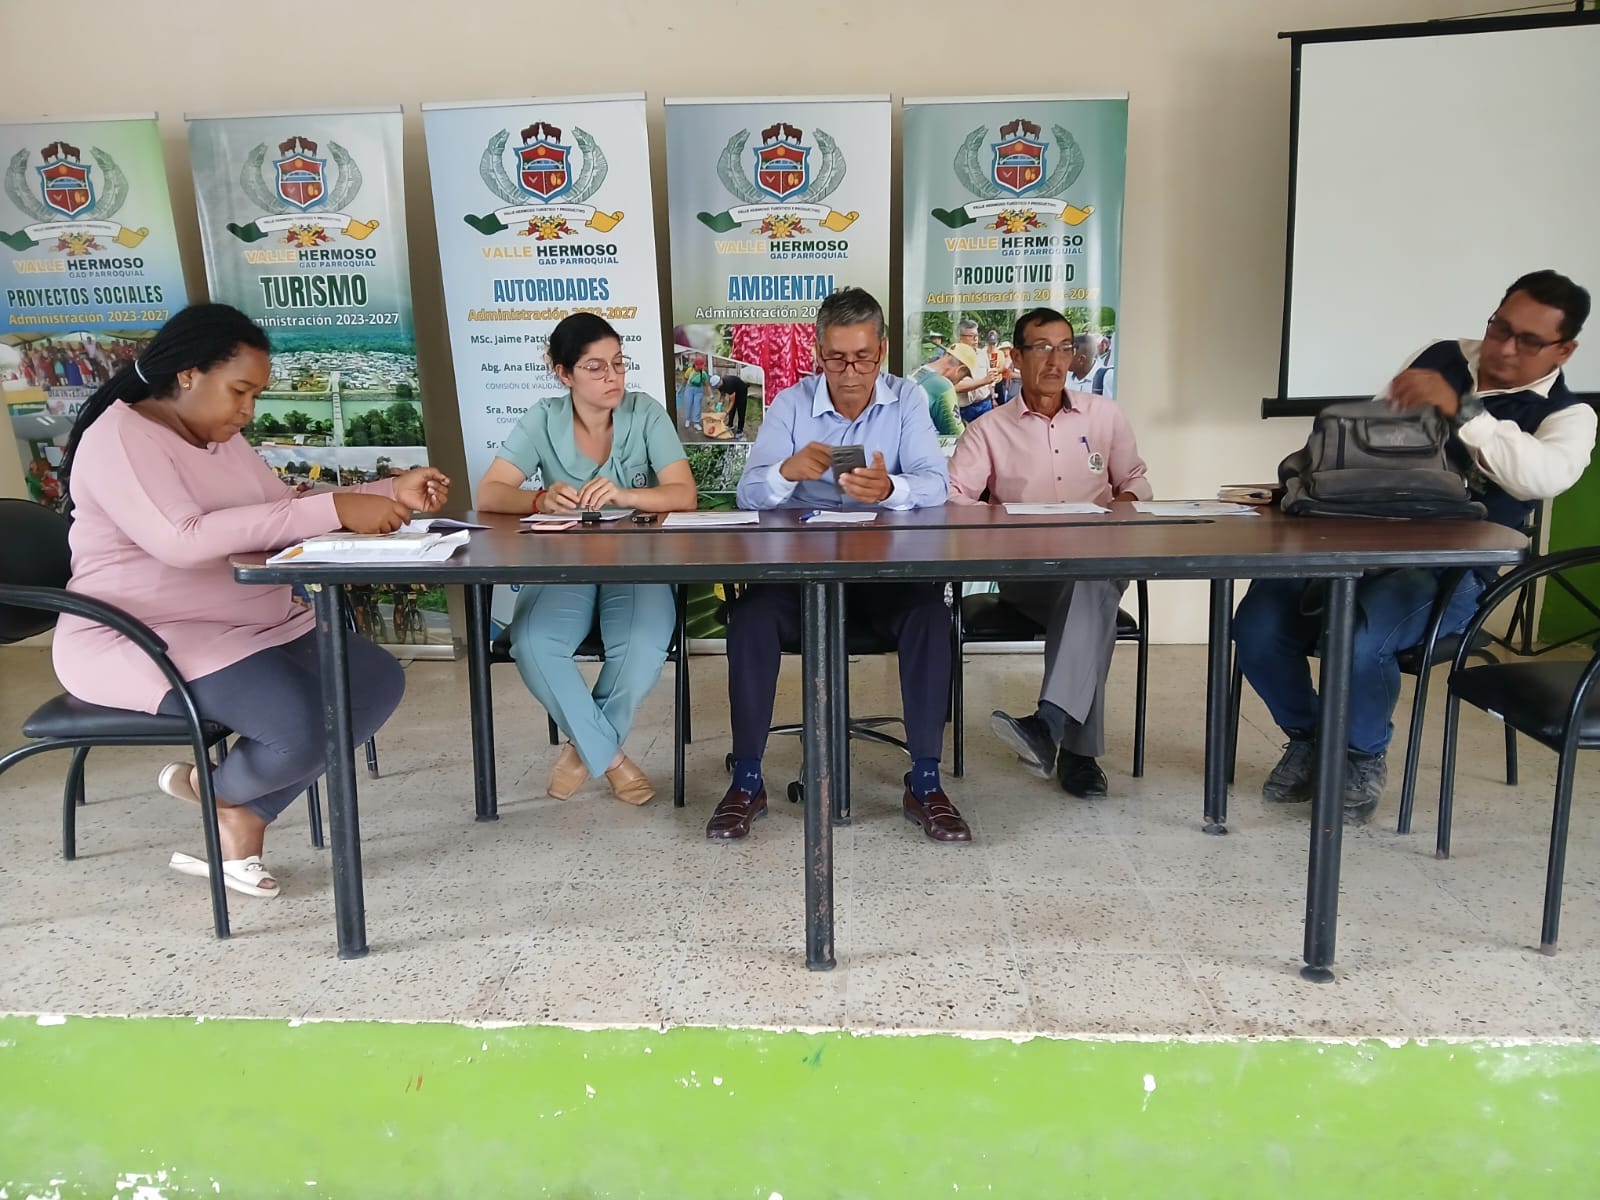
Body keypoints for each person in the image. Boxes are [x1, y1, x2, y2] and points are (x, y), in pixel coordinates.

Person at [52, 303, 448, 898]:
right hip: (145, 634)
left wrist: (389, 489)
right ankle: (227, 798)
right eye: (239, 391)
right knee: (300, 727)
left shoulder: (218, 438)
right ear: (189, 373)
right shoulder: (120, 437)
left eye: (255, 396)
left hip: (250, 621)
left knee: (373, 681)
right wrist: (335, 508)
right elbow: (180, 539)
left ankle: (233, 803)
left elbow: (280, 508)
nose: (248, 411)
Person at [1236, 269, 1595, 823]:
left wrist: (1463, 410)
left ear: (1564, 350)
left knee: (1365, 634)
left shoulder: (1569, 416)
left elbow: (1539, 478)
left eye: (1528, 341)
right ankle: (1310, 738)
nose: (1504, 347)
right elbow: (1370, 437)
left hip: (1448, 572)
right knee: (1256, 623)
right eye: (1500, 327)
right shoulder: (1441, 356)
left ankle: (1361, 757)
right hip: (1357, 542)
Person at [711, 286, 969, 844]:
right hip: (801, 577)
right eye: (836, 359)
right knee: (750, 619)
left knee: (931, 617)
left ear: (882, 352)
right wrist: (786, 472)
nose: (850, 373)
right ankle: (747, 780)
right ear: (817, 354)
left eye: (863, 358)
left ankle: (925, 781)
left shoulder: (907, 400)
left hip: (885, 575)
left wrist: (891, 488)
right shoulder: (791, 405)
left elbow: (936, 484)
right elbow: (748, 494)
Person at [477, 313, 696, 806]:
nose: (612, 376)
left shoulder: (645, 412)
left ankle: (582, 750)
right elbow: (490, 493)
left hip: (638, 563)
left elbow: (684, 494)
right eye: (595, 367)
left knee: (641, 644)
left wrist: (625, 495)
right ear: (564, 373)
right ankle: (610, 758)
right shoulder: (542, 418)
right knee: (533, 643)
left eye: (618, 363)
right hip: (564, 565)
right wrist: (539, 499)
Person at [949, 308, 1152, 797]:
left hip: (1097, 560)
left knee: (1092, 581)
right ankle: (1077, 754)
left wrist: (1121, 504)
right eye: (1042, 348)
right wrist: (999, 520)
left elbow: (1136, 481)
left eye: (1064, 348)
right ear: (1017, 358)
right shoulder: (989, 430)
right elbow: (953, 500)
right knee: (1095, 602)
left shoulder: (1105, 415)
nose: (1056, 360)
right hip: (1028, 574)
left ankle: (1049, 725)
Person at [910, 343, 975, 437]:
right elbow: (957, 435)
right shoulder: (943, 387)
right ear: (960, 369)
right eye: (962, 377)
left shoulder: (916, 371)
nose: (959, 381)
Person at [952, 319, 996, 423]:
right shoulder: (953, 358)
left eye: (977, 335)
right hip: (965, 409)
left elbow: (989, 378)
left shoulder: (983, 354)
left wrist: (993, 398)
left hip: (985, 404)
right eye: (971, 336)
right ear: (960, 338)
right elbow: (955, 387)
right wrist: (983, 381)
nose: (976, 339)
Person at [711, 372, 751, 440]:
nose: (716, 388)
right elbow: (723, 394)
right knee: (732, 409)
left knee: (741, 411)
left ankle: (740, 430)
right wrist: (720, 404)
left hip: (741, 391)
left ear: (719, 382)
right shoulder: (720, 385)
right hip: (734, 390)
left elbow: (732, 401)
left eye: (716, 386)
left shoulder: (728, 384)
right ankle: (730, 424)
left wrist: (726, 412)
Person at [678, 356, 710, 432]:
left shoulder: (703, 373)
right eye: (698, 365)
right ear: (695, 365)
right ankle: (688, 419)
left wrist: (711, 394)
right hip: (689, 388)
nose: (699, 367)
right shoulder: (689, 370)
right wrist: (681, 388)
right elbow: (685, 379)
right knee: (688, 404)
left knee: (697, 406)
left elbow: (707, 384)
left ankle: (696, 422)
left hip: (699, 390)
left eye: (701, 366)